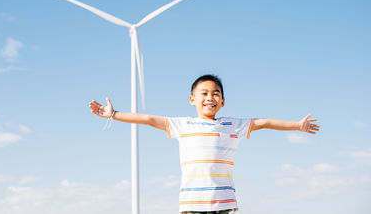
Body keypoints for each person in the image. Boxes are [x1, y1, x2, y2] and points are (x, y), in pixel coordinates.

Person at [89, 74, 320, 214]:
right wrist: (114, 114)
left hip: (224, 204)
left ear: (223, 101)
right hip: (192, 204)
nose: (210, 97)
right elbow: (148, 119)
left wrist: (297, 126)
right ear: (192, 99)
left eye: (216, 93)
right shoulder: (183, 125)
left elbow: (265, 122)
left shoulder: (232, 125)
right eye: (204, 93)